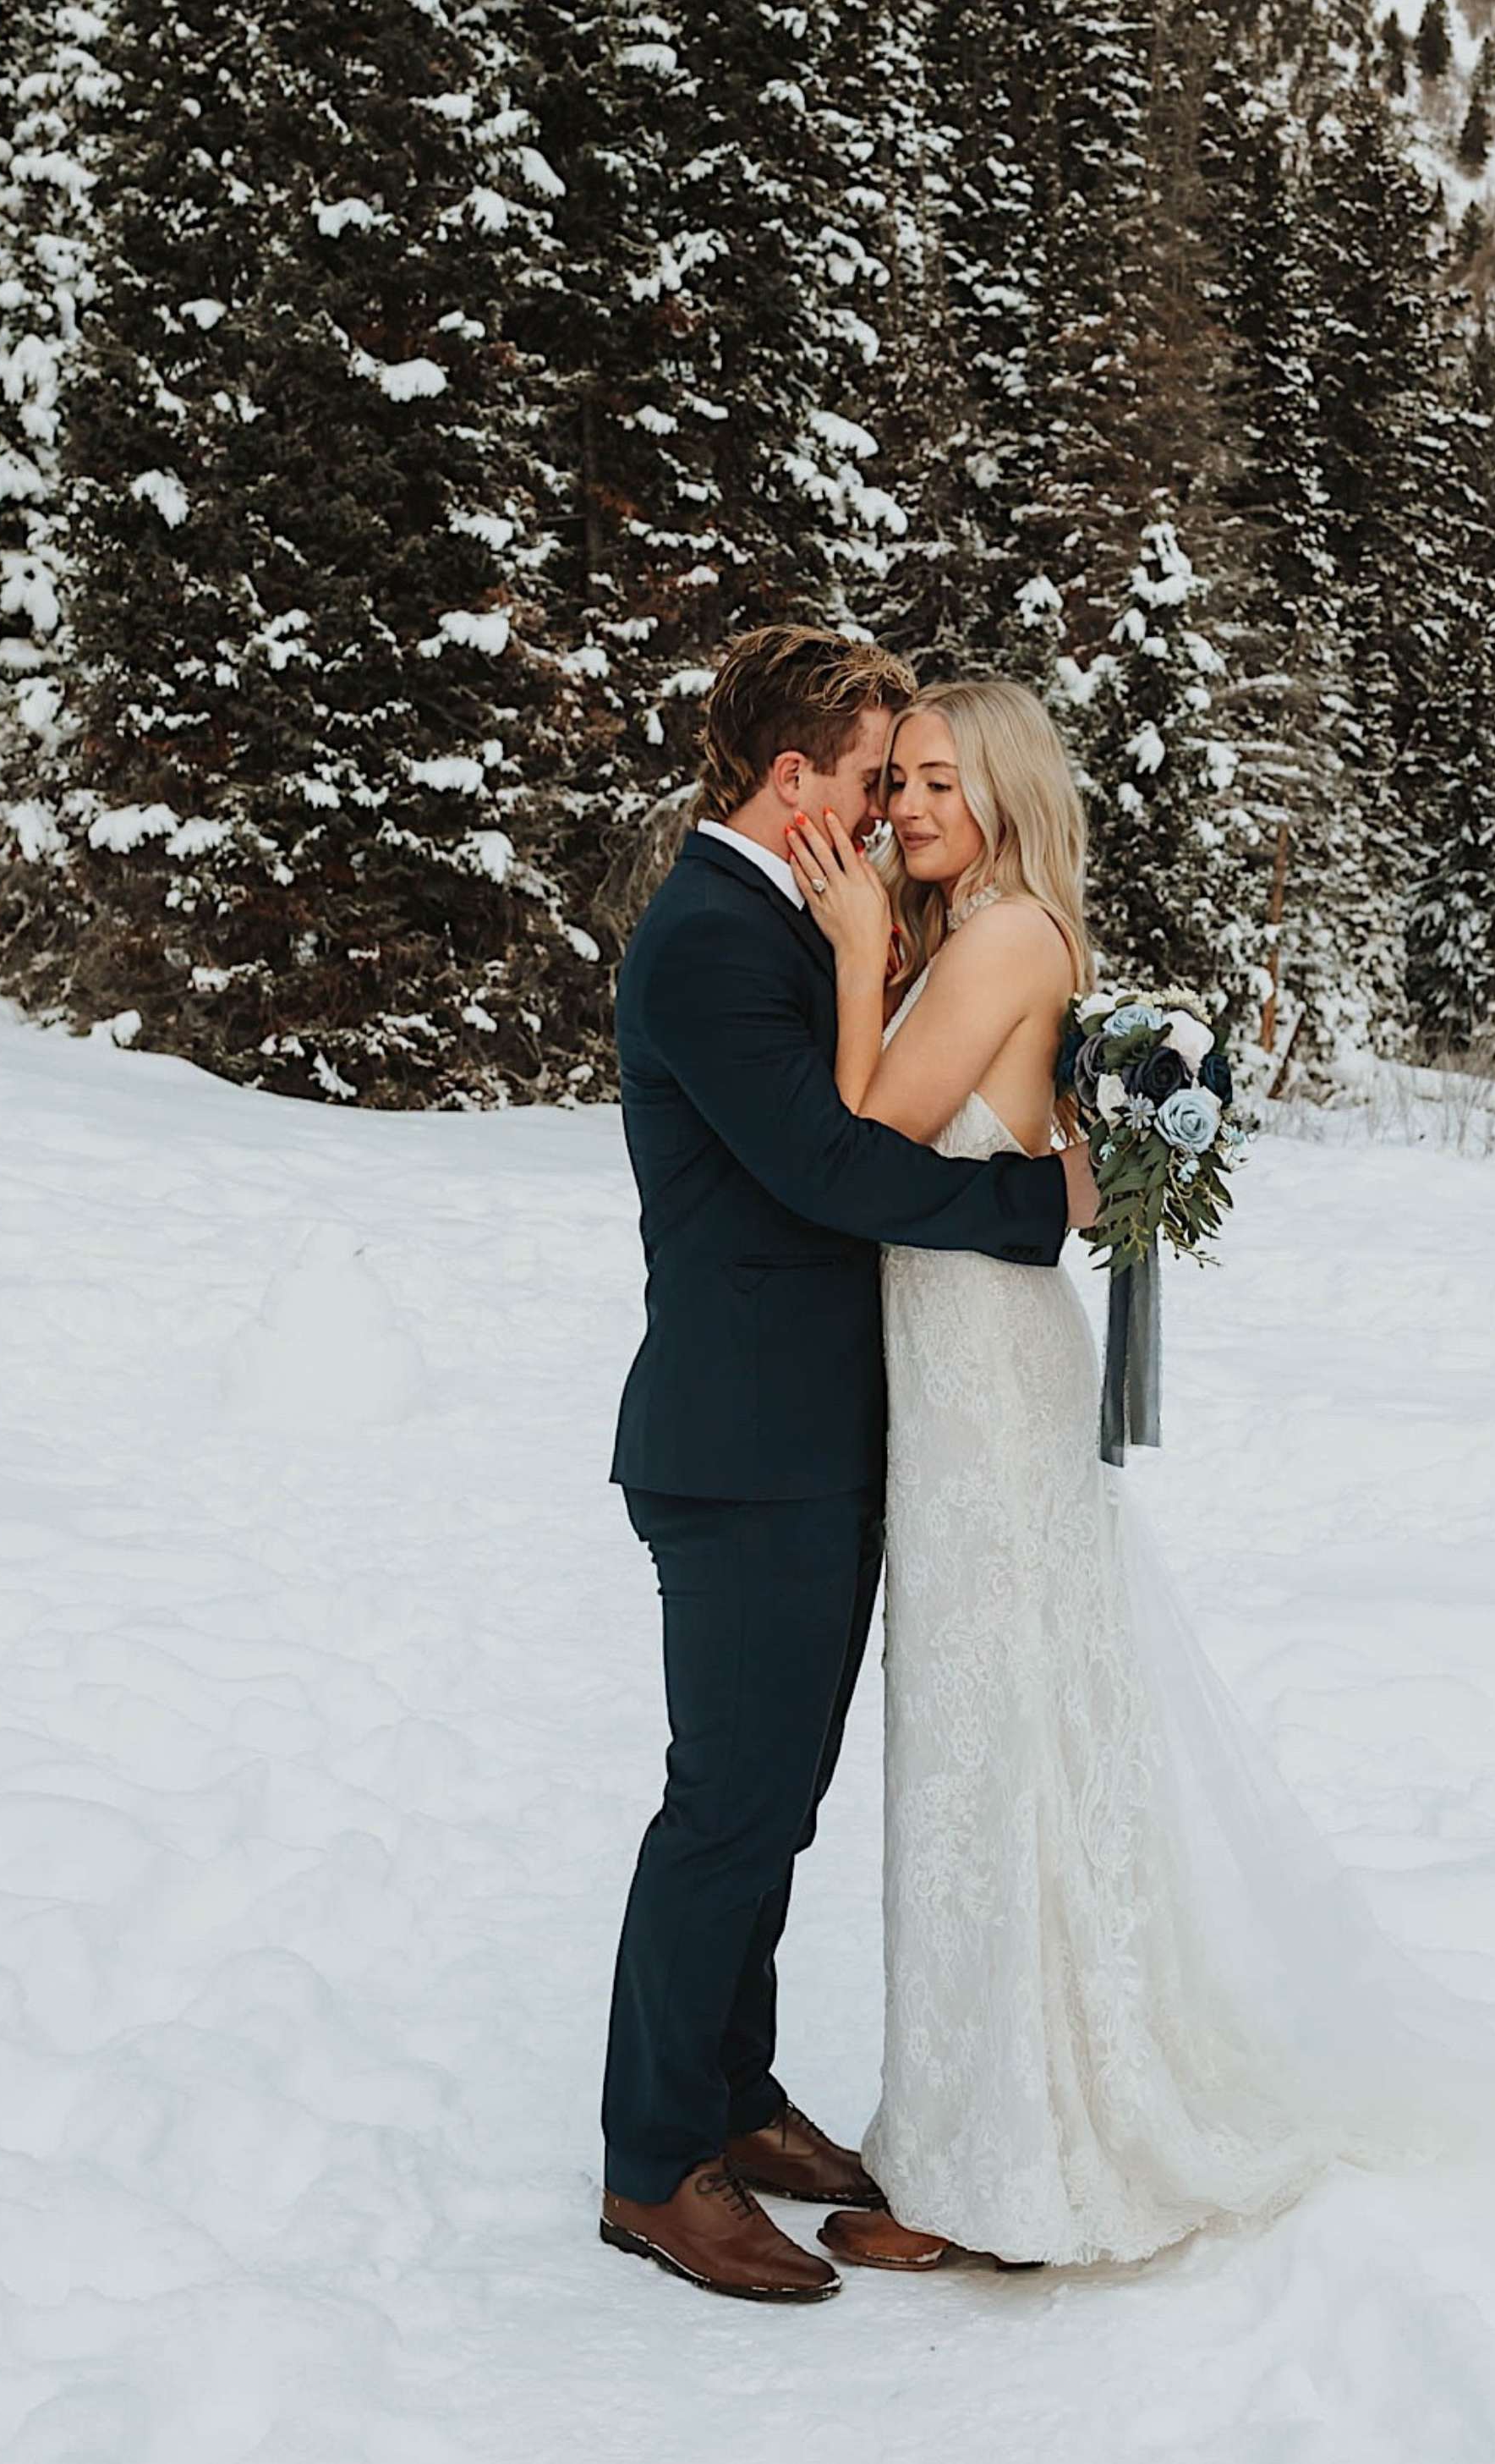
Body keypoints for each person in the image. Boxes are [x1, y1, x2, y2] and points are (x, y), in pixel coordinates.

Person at [780, 680, 1495, 2273]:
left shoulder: (997, 941)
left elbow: (860, 1136)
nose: (903, 808)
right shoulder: (999, 928)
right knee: (993, 1735)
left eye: (935, 782)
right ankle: (984, 2124)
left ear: (1002, 793)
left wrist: (854, 953)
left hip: (983, 1365)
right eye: (895, 779)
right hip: (963, 1357)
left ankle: (1010, 2163)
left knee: (997, 1742)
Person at [592, 626, 1098, 2304]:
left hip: (830, 1433)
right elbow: (827, 1163)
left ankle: (734, 2096)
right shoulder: (707, 942)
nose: (891, 804)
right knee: (728, 1804)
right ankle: (657, 2163)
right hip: (742, 1447)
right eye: (880, 775)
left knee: (777, 1803)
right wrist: (1039, 1209)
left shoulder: (783, 916)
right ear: (795, 777)